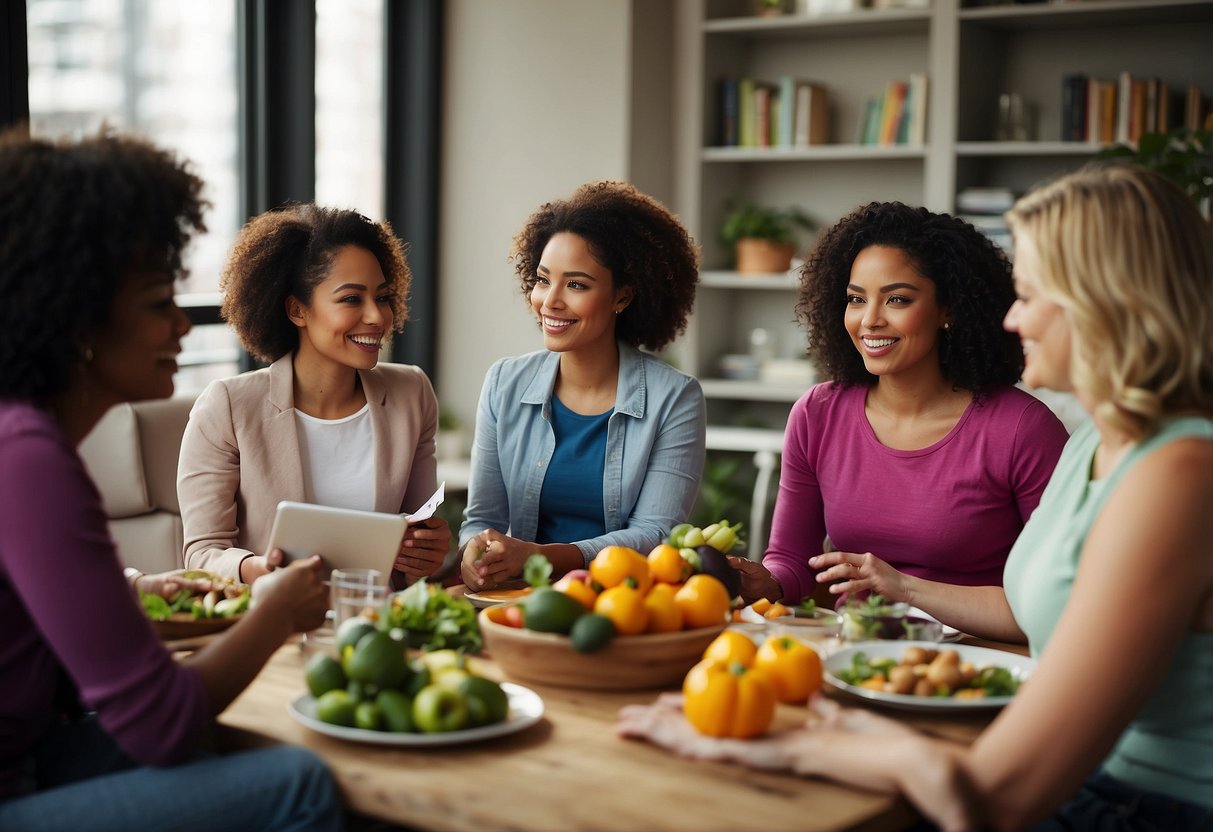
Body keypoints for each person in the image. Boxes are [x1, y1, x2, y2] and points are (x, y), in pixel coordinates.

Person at [620, 165, 1213, 830]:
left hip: (1145, 809)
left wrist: (782, 744)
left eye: (1030, 293)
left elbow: (996, 796)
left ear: (1108, 299)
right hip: (1079, 781)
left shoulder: (1179, 473)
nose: (1012, 317)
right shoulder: (1094, 447)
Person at [0, 129, 340, 830]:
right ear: (78, 323)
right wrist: (274, 610)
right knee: (298, 781)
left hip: (31, 754)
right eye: (159, 304)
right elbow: (159, 724)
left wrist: (135, 591)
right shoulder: (27, 456)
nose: (183, 327)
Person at [733, 202, 1069, 610]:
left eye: (897, 300)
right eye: (856, 300)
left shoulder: (1022, 429)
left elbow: (1058, 594)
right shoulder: (817, 414)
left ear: (948, 309)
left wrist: (903, 585)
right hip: (858, 656)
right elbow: (793, 563)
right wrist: (762, 583)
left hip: (980, 654)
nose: (869, 320)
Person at [178, 202, 451, 587]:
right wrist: (260, 570)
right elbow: (203, 554)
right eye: (352, 299)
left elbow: (415, 539)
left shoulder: (411, 393)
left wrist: (427, 552)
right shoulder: (228, 407)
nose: (376, 316)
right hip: (272, 625)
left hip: (376, 624)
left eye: (383, 297)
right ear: (296, 310)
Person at [459, 181, 706, 590]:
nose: (550, 301)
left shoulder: (674, 398)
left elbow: (655, 535)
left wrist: (543, 557)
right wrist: (475, 553)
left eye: (576, 285)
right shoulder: (504, 382)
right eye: (542, 280)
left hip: (619, 607)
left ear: (622, 297)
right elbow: (482, 520)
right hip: (516, 603)